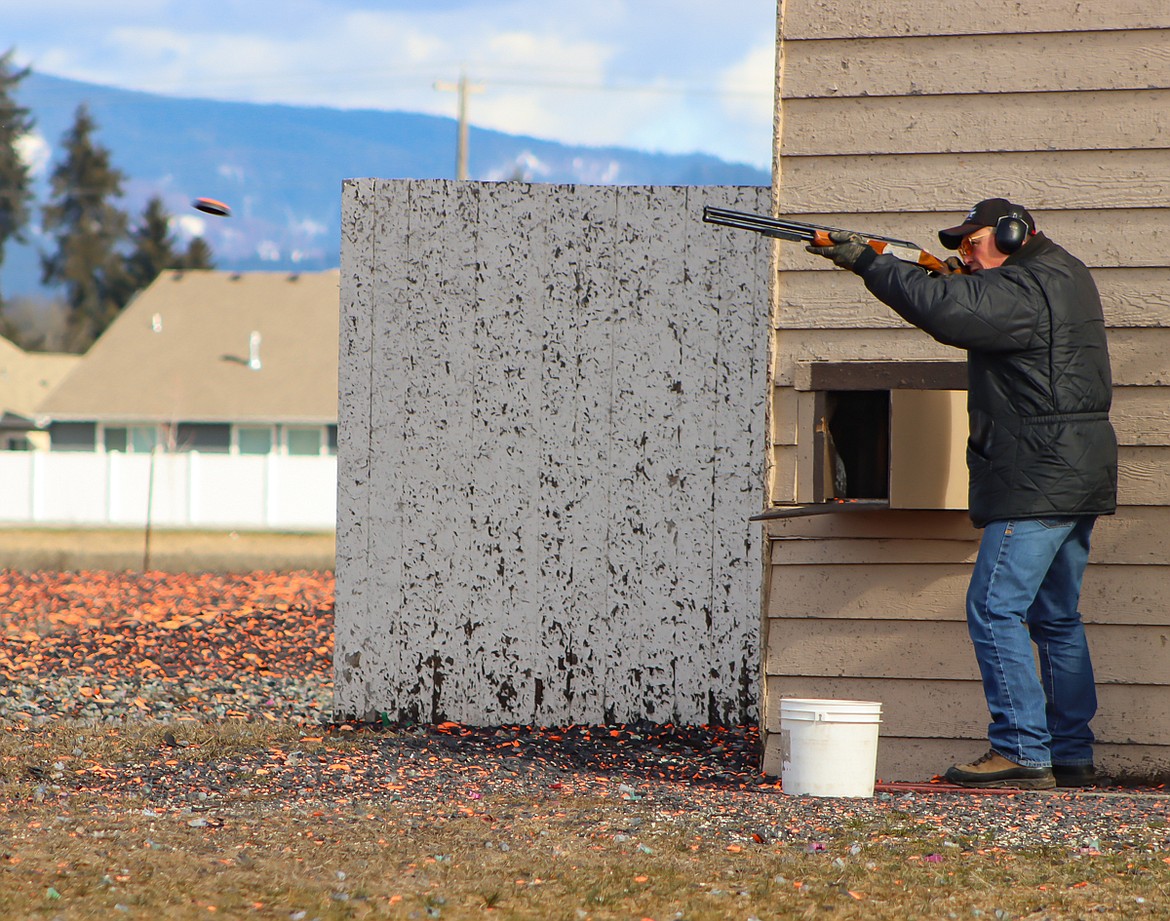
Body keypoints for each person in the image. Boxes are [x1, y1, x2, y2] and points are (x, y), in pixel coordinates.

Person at [807, 198, 1117, 789]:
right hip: (1072, 473)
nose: (965, 257)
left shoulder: (1028, 286)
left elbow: (948, 315)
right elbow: (967, 301)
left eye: (972, 245)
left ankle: (1022, 749)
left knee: (995, 606)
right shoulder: (1061, 274)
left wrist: (869, 262)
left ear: (1012, 233)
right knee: (1055, 617)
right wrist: (945, 274)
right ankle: (1070, 752)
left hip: (1037, 476)